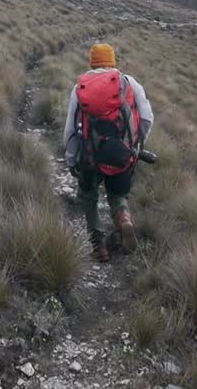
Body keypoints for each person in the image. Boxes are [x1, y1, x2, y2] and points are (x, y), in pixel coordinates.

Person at [62, 43, 154, 262]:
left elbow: (70, 130)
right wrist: (135, 147)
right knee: (117, 195)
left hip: (90, 156)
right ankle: (123, 219)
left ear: (92, 61)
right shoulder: (129, 83)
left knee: (89, 198)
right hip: (122, 155)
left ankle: (98, 246)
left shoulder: (80, 88)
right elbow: (147, 118)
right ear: (113, 61)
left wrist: (71, 159)